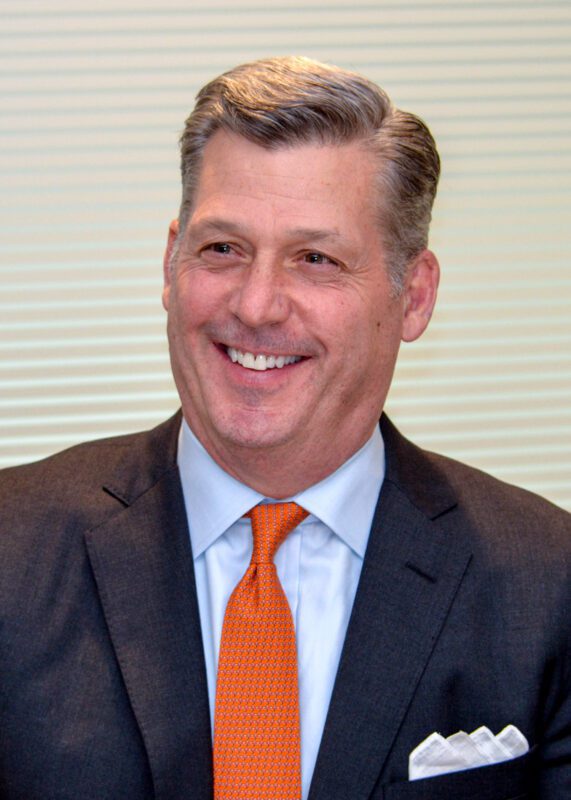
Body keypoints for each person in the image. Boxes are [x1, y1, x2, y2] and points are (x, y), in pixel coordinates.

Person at [0, 56, 569, 800]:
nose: (257, 305)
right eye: (222, 249)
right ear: (170, 262)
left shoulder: (547, 583)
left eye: (315, 259)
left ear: (414, 296)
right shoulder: (12, 549)